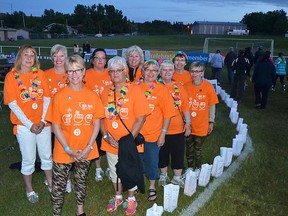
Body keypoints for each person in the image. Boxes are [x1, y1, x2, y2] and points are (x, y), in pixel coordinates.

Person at [45, 54, 105, 216]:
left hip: (85, 149)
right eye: (70, 71)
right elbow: (55, 125)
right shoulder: (59, 96)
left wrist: (89, 147)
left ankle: (80, 210)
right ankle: (56, 213)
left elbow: (96, 123)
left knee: (81, 181)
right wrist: (67, 148)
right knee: (59, 185)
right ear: (66, 73)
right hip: (63, 150)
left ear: (84, 71)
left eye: (78, 70)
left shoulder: (92, 96)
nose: (74, 74)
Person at [100, 56, 149, 215]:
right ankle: (118, 196)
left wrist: (128, 141)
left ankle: (131, 199)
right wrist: (106, 137)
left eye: (118, 70)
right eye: (112, 71)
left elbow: (141, 117)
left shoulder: (135, 89)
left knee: (129, 170)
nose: (115, 74)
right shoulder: (106, 91)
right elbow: (101, 117)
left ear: (125, 71)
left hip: (128, 142)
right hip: (110, 141)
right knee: (114, 171)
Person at [4, 44, 53, 203]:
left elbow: (47, 98)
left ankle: (51, 183)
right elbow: (12, 104)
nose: (29, 58)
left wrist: (43, 120)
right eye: (26, 54)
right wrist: (29, 124)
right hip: (24, 126)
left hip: (43, 124)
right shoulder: (11, 77)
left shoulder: (40, 74)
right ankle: (29, 189)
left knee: (47, 157)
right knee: (29, 159)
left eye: (32, 55)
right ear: (20, 57)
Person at [137, 59, 175, 201]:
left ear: (158, 73)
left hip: (153, 135)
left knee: (152, 162)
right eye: (148, 69)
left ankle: (152, 186)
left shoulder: (162, 89)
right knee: (137, 161)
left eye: (154, 70)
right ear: (142, 72)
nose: (151, 73)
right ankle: (137, 183)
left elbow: (168, 114)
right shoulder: (134, 87)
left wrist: (163, 134)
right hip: (136, 134)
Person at [157, 60, 191, 188]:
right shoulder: (155, 87)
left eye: (170, 70)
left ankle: (177, 178)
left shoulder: (179, 87)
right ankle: (163, 176)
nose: (167, 72)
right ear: (160, 72)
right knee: (162, 154)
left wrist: (188, 123)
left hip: (177, 129)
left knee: (178, 153)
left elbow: (186, 107)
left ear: (173, 72)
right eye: (164, 70)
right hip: (160, 129)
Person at [45, 44, 73, 193]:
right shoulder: (45, 74)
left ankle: (67, 179)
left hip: (68, 121)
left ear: (66, 57)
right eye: (55, 55)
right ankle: (53, 178)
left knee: (66, 151)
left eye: (61, 55)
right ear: (51, 58)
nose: (58, 59)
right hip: (50, 121)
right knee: (51, 152)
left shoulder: (71, 74)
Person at [184, 62, 219, 177]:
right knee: (189, 148)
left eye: (197, 71)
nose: (195, 74)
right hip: (189, 124)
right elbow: (183, 106)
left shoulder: (208, 87)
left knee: (197, 149)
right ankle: (190, 167)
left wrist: (211, 121)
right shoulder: (186, 86)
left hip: (202, 124)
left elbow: (212, 105)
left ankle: (197, 168)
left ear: (202, 73)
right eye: (192, 71)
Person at [85, 48, 112, 181]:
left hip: (110, 113)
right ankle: (98, 168)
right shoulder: (86, 74)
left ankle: (109, 166)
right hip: (93, 114)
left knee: (109, 139)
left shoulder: (111, 73)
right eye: (97, 58)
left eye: (103, 58)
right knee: (96, 141)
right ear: (92, 60)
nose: (100, 60)